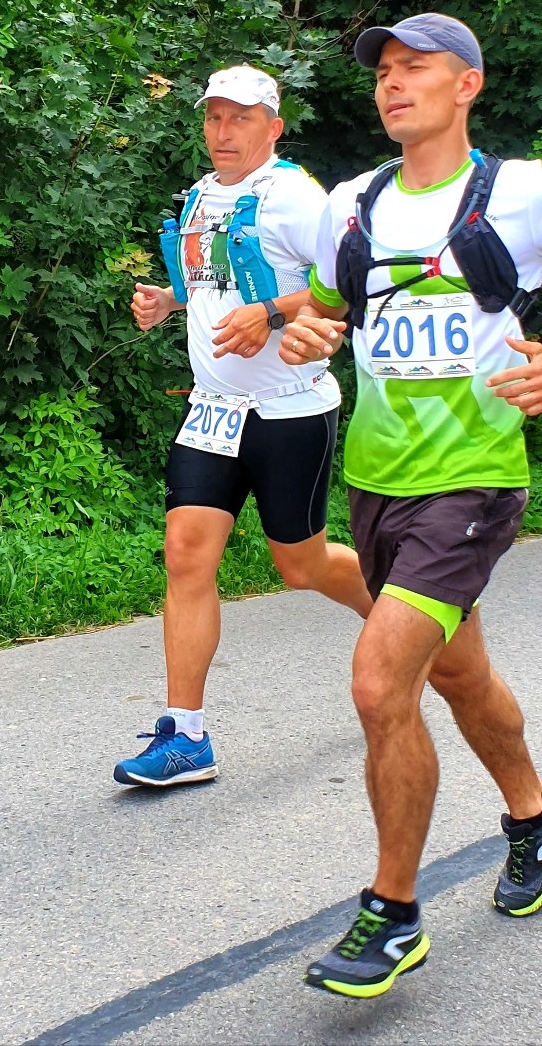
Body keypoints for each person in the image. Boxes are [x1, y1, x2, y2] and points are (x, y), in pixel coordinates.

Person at [279, 13, 542, 997]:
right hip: (377, 484)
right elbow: (328, 308)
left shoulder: (527, 197)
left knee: (380, 684)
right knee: (459, 677)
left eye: (419, 69)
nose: (394, 84)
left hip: (474, 480)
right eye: (386, 71)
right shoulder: (352, 206)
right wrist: (306, 335)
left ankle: (393, 917)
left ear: (469, 87)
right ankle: (535, 812)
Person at [114, 65, 371, 787]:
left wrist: (276, 313)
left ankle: (396, 618)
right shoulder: (200, 195)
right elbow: (215, 282)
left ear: (274, 127)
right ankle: (186, 734)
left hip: (290, 409)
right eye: (214, 118)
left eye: (240, 119)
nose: (224, 132)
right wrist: (169, 300)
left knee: (302, 564)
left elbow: (347, 290)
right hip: (214, 409)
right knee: (186, 554)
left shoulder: (295, 196)